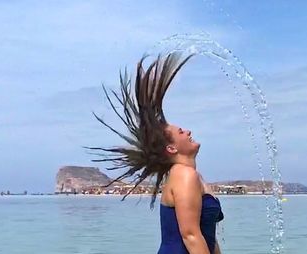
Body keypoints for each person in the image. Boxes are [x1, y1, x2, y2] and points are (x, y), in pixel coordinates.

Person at [88, 53, 223, 254]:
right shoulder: (184, 175)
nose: (188, 131)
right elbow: (190, 235)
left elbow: (208, 237)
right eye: (181, 132)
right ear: (171, 148)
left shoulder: (194, 176)